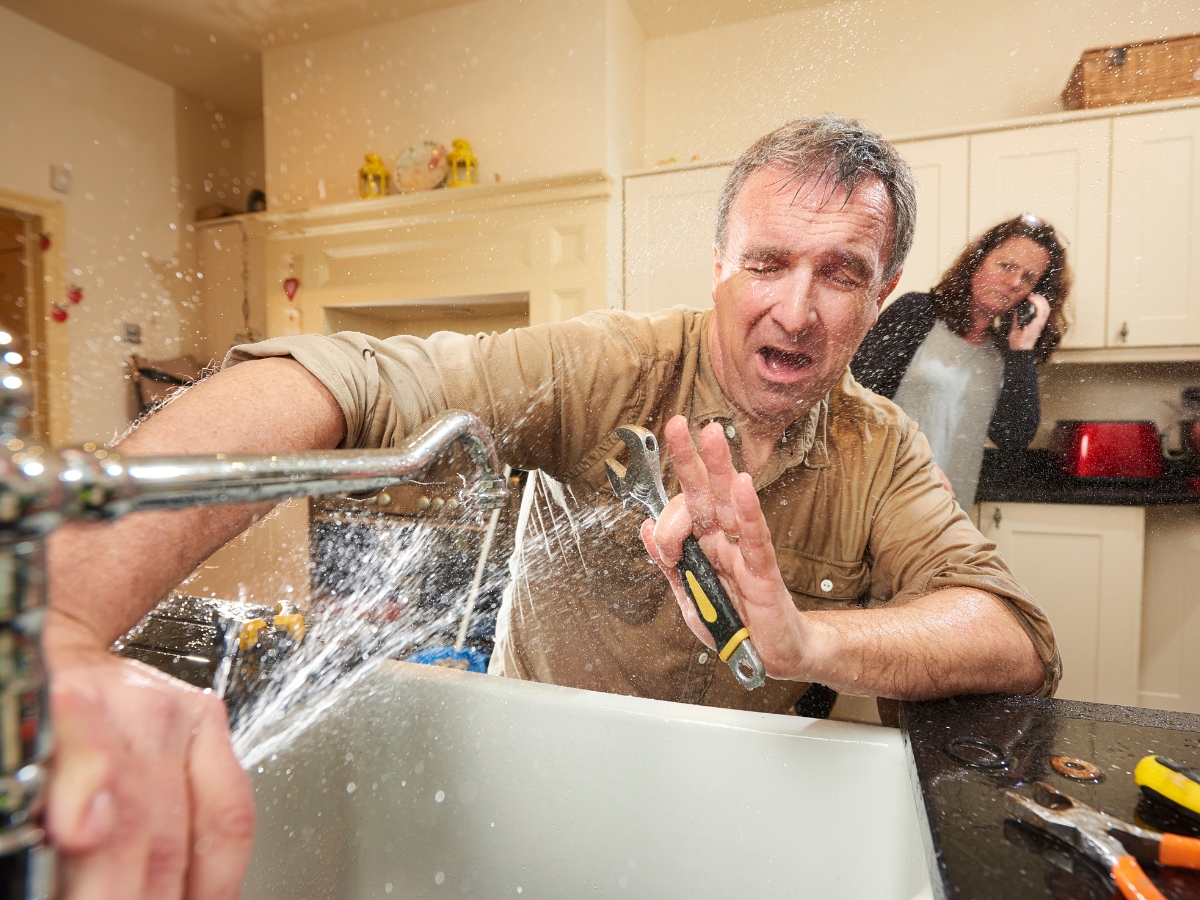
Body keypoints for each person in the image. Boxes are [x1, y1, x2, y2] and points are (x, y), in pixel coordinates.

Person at [43, 114, 1059, 900]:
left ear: (879, 299)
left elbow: (1008, 630)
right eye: (766, 263)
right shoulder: (610, 367)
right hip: (528, 795)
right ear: (718, 267)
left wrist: (808, 640)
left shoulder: (879, 451)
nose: (796, 310)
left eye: (840, 274)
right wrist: (63, 620)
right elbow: (348, 377)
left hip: (739, 818)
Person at [850, 215, 1070, 508]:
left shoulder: (1004, 353)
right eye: (1006, 266)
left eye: (1029, 278)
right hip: (878, 499)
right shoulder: (916, 313)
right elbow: (853, 402)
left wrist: (1022, 351)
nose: (1016, 282)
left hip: (951, 511)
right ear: (977, 262)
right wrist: (911, 464)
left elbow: (1013, 437)